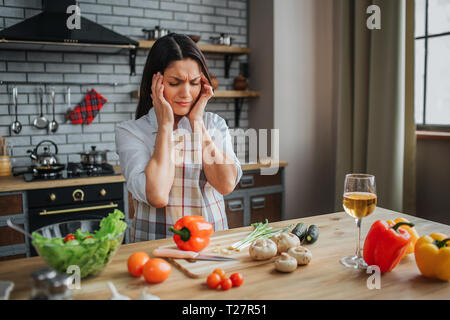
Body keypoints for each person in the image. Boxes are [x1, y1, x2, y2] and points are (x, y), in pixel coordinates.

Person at [115, 33, 242, 242]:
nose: (187, 93)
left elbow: (225, 184)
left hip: (211, 245)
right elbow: (157, 196)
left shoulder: (214, 124)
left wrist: (197, 123)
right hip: (156, 251)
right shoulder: (132, 132)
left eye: (194, 82)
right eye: (175, 83)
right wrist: (165, 125)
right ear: (155, 84)